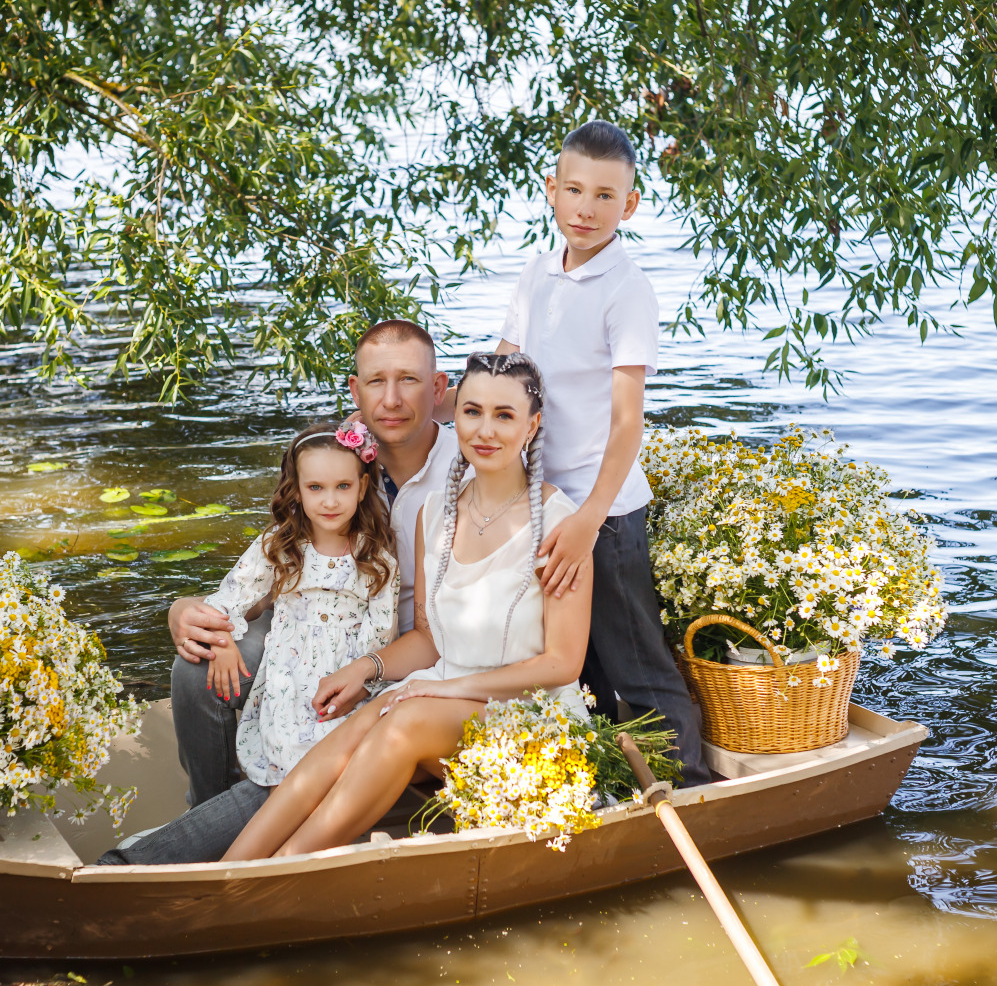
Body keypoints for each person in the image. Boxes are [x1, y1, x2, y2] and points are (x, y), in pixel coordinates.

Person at [99, 323, 458, 864]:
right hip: (316, 629)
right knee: (199, 665)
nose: (391, 398)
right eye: (376, 382)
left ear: (439, 388)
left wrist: (369, 668)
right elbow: (269, 573)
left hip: (404, 647)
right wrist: (189, 614)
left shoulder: (470, 465)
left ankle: (218, 836)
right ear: (354, 391)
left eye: (408, 379)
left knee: (322, 728)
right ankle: (212, 808)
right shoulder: (337, 458)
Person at [221, 352, 592, 859]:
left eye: (504, 415)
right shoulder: (434, 512)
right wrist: (370, 669)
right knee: (362, 723)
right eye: (472, 411)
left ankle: (276, 875)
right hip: (446, 699)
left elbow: (561, 664)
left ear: (533, 425)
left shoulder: (560, 525)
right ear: (454, 416)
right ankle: (231, 869)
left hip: (532, 714)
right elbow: (428, 637)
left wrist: (443, 690)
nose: (485, 430)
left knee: (403, 716)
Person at [492, 119, 708, 786]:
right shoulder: (538, 274)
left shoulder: (626, 290)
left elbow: (626, 424)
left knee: (634, 662)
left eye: (605, 196)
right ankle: (612, 788)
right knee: (576, 666)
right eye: (575, 190)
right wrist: (433, 406)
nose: (586, 208)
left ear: (630, 205)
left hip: (603, 516)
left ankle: (692, 788)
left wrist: (589, 521)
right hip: (547, 504)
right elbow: (503, 368)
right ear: (551, 191)